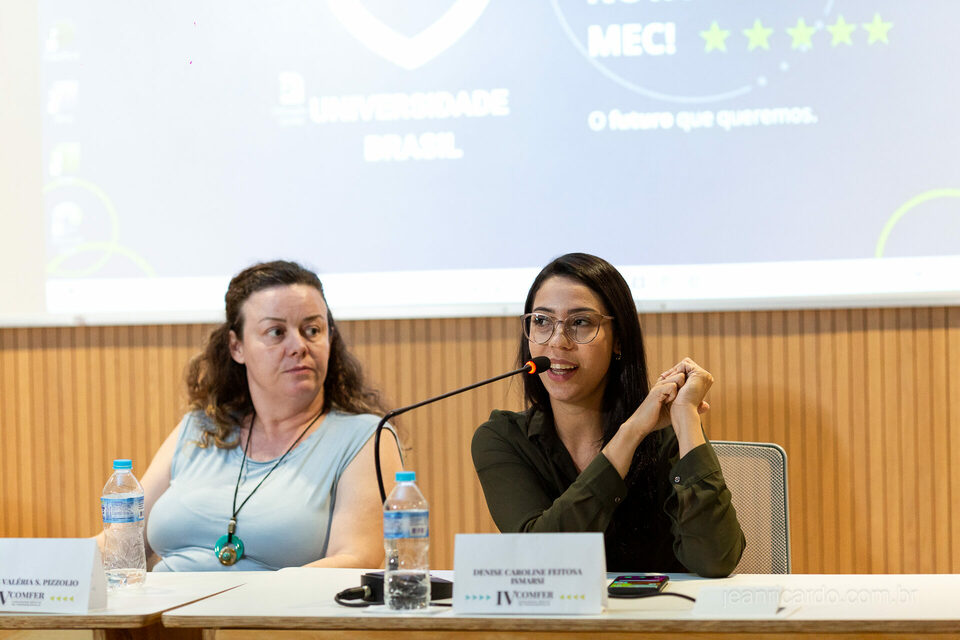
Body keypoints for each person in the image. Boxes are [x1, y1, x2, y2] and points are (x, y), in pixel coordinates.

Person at [110, 260, 403, 571]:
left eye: (312, 330)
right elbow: (119, 544)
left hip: (279, 604)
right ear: (237, 347)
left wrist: (254, 593)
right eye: (276, 332)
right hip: (165, 601)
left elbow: (357, 561)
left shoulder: (365, 438)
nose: (299, 346)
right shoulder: (200, 427)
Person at [471, 253, 745, 577]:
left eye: (580, 322)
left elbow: (715, 560)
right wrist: (630, 434)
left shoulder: (664, 434)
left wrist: (685, 417)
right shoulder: (504, 439)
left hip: (661, 610)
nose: (558, 342)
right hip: (559, 612)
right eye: (542, 321)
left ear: (619, 341)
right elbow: (541, 558)